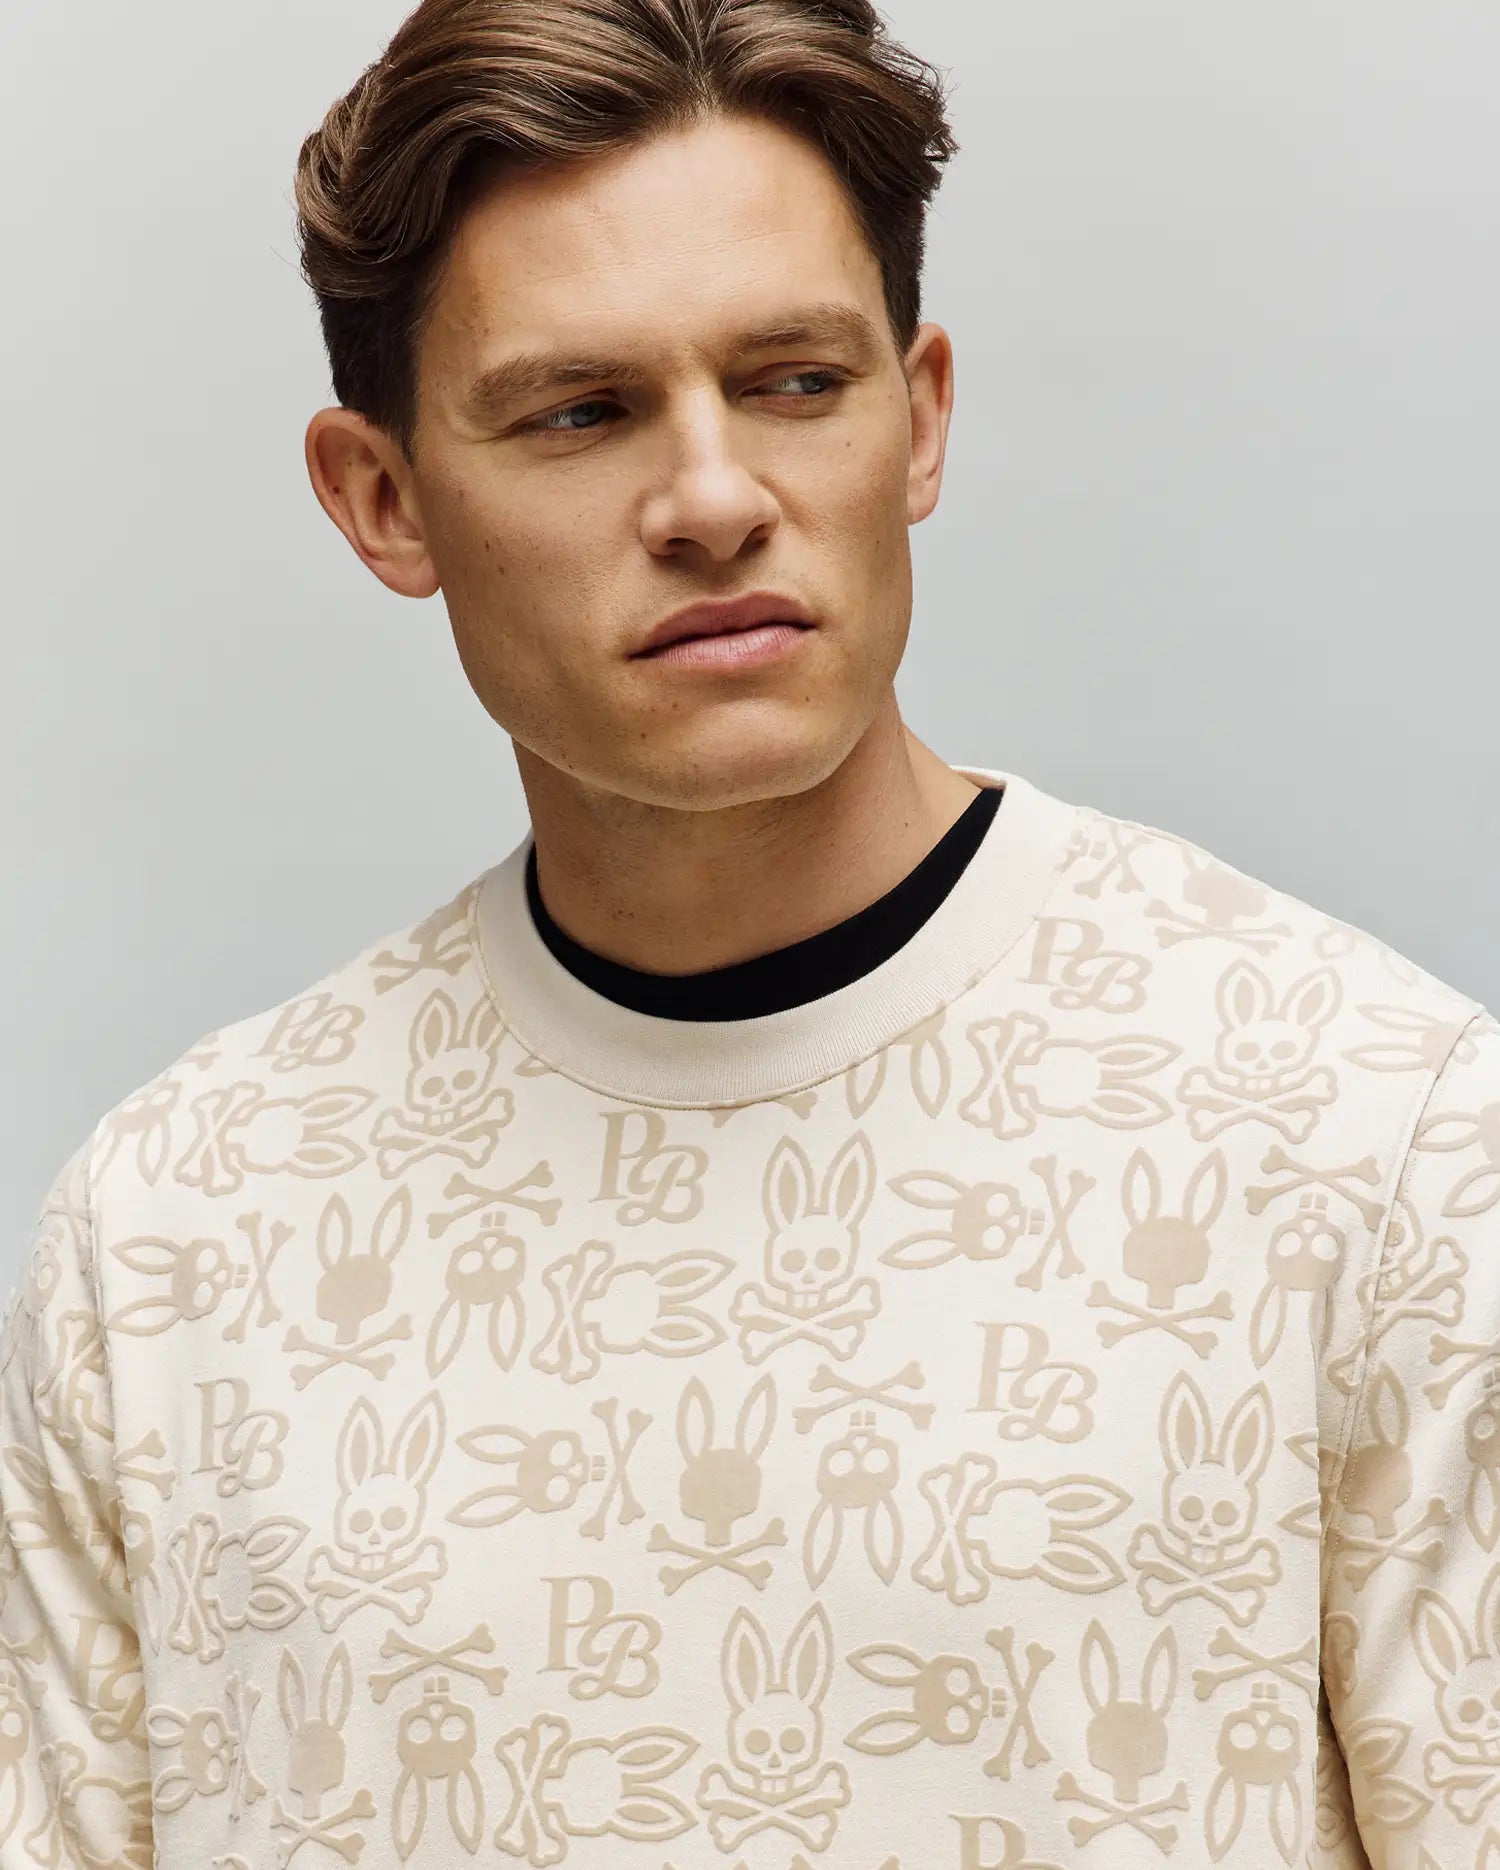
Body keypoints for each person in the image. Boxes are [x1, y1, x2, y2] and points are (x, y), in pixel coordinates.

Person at [2, 1, 1494, 1863]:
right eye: (580, 411)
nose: (714, 499)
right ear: (385, 499)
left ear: (919, 415)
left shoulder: (1377, 1141)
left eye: (793, 381)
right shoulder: (171, 1246)